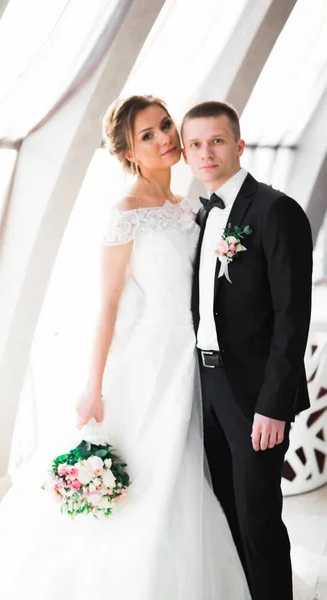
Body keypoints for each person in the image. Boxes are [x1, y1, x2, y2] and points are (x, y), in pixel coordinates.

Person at [0, 95, 251, 599]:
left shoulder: (188, 208)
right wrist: (92, 387)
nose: (165, 138)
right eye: (148, 135)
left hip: (191, 360)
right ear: (129, 153)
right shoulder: (125, 214)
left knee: (183, 479)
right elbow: (107, 307)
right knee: (147, 476)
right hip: (147, 364)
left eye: (165, 126)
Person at [181, 100, 313, 600]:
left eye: (216, 141)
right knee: (225, 518)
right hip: (205, 387)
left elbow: (291, 318)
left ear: (238, 145)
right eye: (195, 144)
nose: (205, 152)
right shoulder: (199, 215)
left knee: (259, 521)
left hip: (256, 395)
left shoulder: (276, 210)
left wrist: (273, 405)